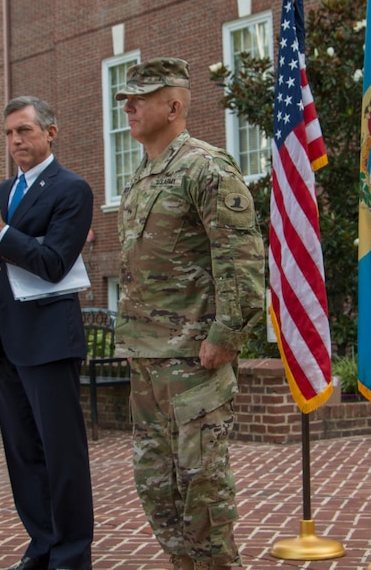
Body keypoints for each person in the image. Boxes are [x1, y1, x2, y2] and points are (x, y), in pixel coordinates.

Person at [114, 58, 266, 570]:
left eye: (141, 98)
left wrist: (228, 334)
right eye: (126, 99)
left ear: (174, 106)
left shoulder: (207, 167)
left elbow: (240, 257)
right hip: (147, 360)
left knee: (202, 492)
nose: (128, 106)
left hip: (193, 361)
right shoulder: (139, 177)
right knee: (157, 489)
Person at [0, 96, 94, 570]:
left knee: (62, 458)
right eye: (10, 133)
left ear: (50, 133)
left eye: (25, 131)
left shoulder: (71, 190)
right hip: (5, 344)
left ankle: (71, 558)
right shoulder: (1, 190)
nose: (16, 141)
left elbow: (55, 264)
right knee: (24, 459)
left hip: (50, 344)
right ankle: (41, 548)